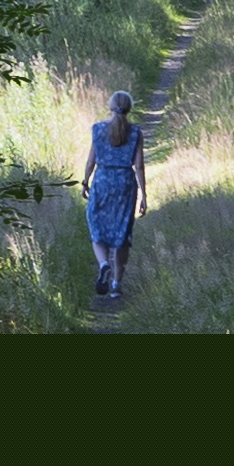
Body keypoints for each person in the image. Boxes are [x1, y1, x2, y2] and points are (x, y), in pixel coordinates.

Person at [82, 88, 147, 310]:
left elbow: (91, 161)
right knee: (122, 232)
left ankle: (103, 264)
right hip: (125, 184)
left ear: (110, 106)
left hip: (102, 181)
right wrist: (144, 194)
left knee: (96, 225)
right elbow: (138, 165)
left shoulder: (98, 130)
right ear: (129, 109)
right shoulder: (136, 132)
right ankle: (117, 284)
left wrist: (85, 182)